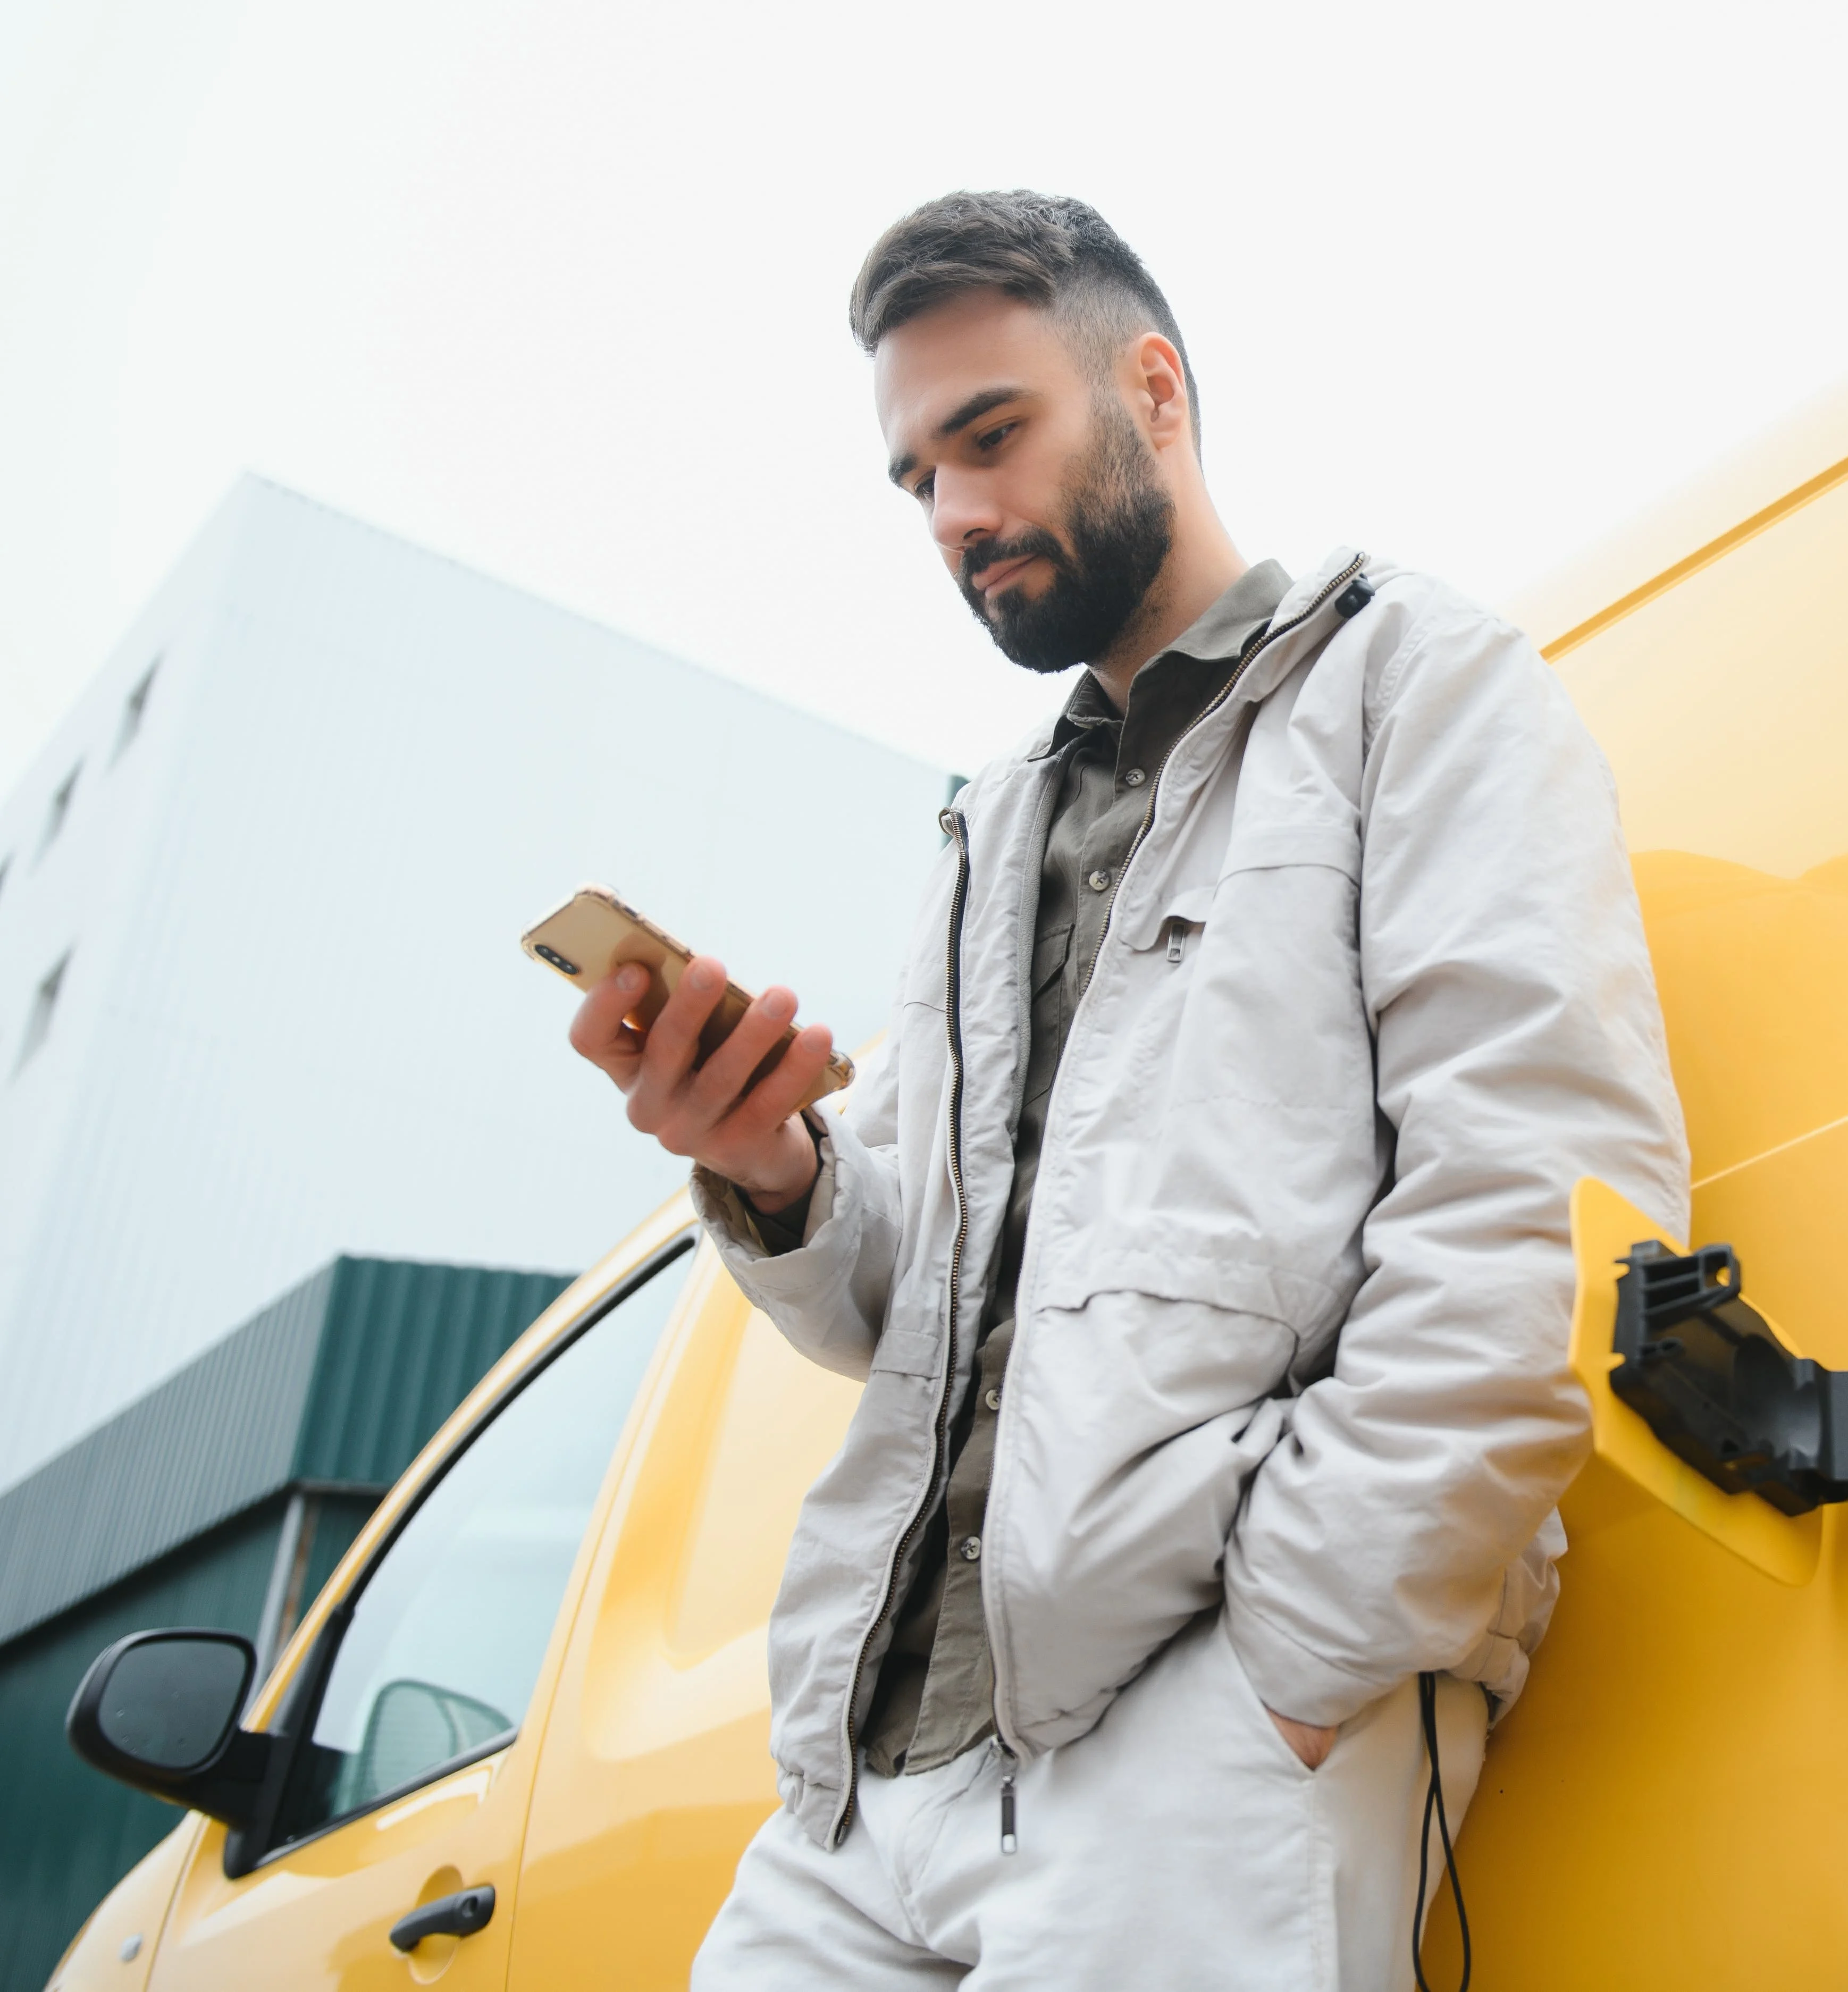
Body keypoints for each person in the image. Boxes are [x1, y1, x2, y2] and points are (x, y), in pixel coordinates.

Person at [565, 189, 1688, 1990]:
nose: (955, 517)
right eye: (916, 477)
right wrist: (769, 1167)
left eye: (990, 437)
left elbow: (1536, 1202)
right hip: (874, 1762)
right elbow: (917, 1299)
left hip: (1198, 1725)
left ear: (1153, 391)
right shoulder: (991, 819)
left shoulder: (1412, 682)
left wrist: (1297, 1670)